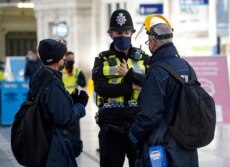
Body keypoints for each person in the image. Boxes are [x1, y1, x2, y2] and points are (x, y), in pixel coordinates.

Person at [128, 15, 199, 166]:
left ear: (153, 43)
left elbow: (149, 115)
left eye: (148, 42)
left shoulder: (157, 72)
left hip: (164, 149)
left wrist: (133, 135)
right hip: (187, 147)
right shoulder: (187, 67)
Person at [92, 9, 150, 167]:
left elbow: (151, 84)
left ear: (132, 32)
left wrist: (130, 75)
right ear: (111, 34)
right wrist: (132, 86)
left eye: (126, 32)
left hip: (137, 126)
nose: (122, 36)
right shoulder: (101, 59)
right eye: (118, 32)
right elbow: (101, 89)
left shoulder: (144, 58)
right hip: (110, 127)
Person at [29, 39, 89, 167]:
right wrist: (80, 105)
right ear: (56, 59)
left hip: (42, 139)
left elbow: (51, 108)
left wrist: (70, 101)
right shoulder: (52, 83)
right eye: (63, 56)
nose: (65, 59)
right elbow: (64, 118)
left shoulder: (39, 76)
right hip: (55, 146)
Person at [62, 51, 87, 138]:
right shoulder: (61, 70)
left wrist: (77, 79)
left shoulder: (77, 71)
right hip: (63, 98)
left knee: (75, 120)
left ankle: (76, 140)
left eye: (72, 59)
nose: (71, 60)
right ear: (65, 59)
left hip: (74, 98)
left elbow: (84, 83)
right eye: (69, 59)